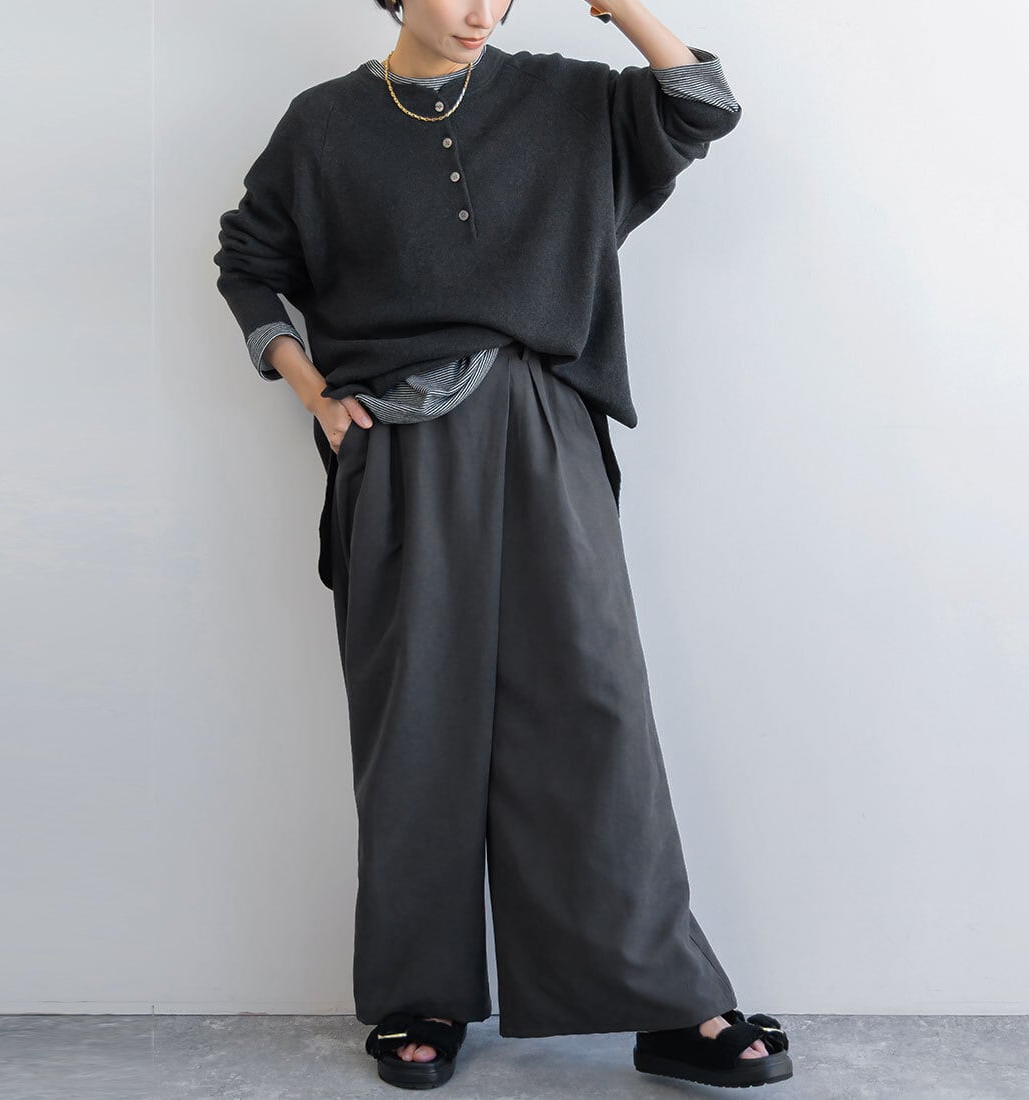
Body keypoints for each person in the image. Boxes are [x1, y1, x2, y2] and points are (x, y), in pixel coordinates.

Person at [213, 0, 793, 1090]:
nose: (482, 9)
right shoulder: (324, 125)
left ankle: (662, 1000)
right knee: (417, 719)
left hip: (544, 424)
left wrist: (620, 6)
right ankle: (420, 995)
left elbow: (703, 105)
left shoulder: (566, 97)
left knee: (590, 705)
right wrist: (312, 391)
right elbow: (248, 260)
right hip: (400, 442)